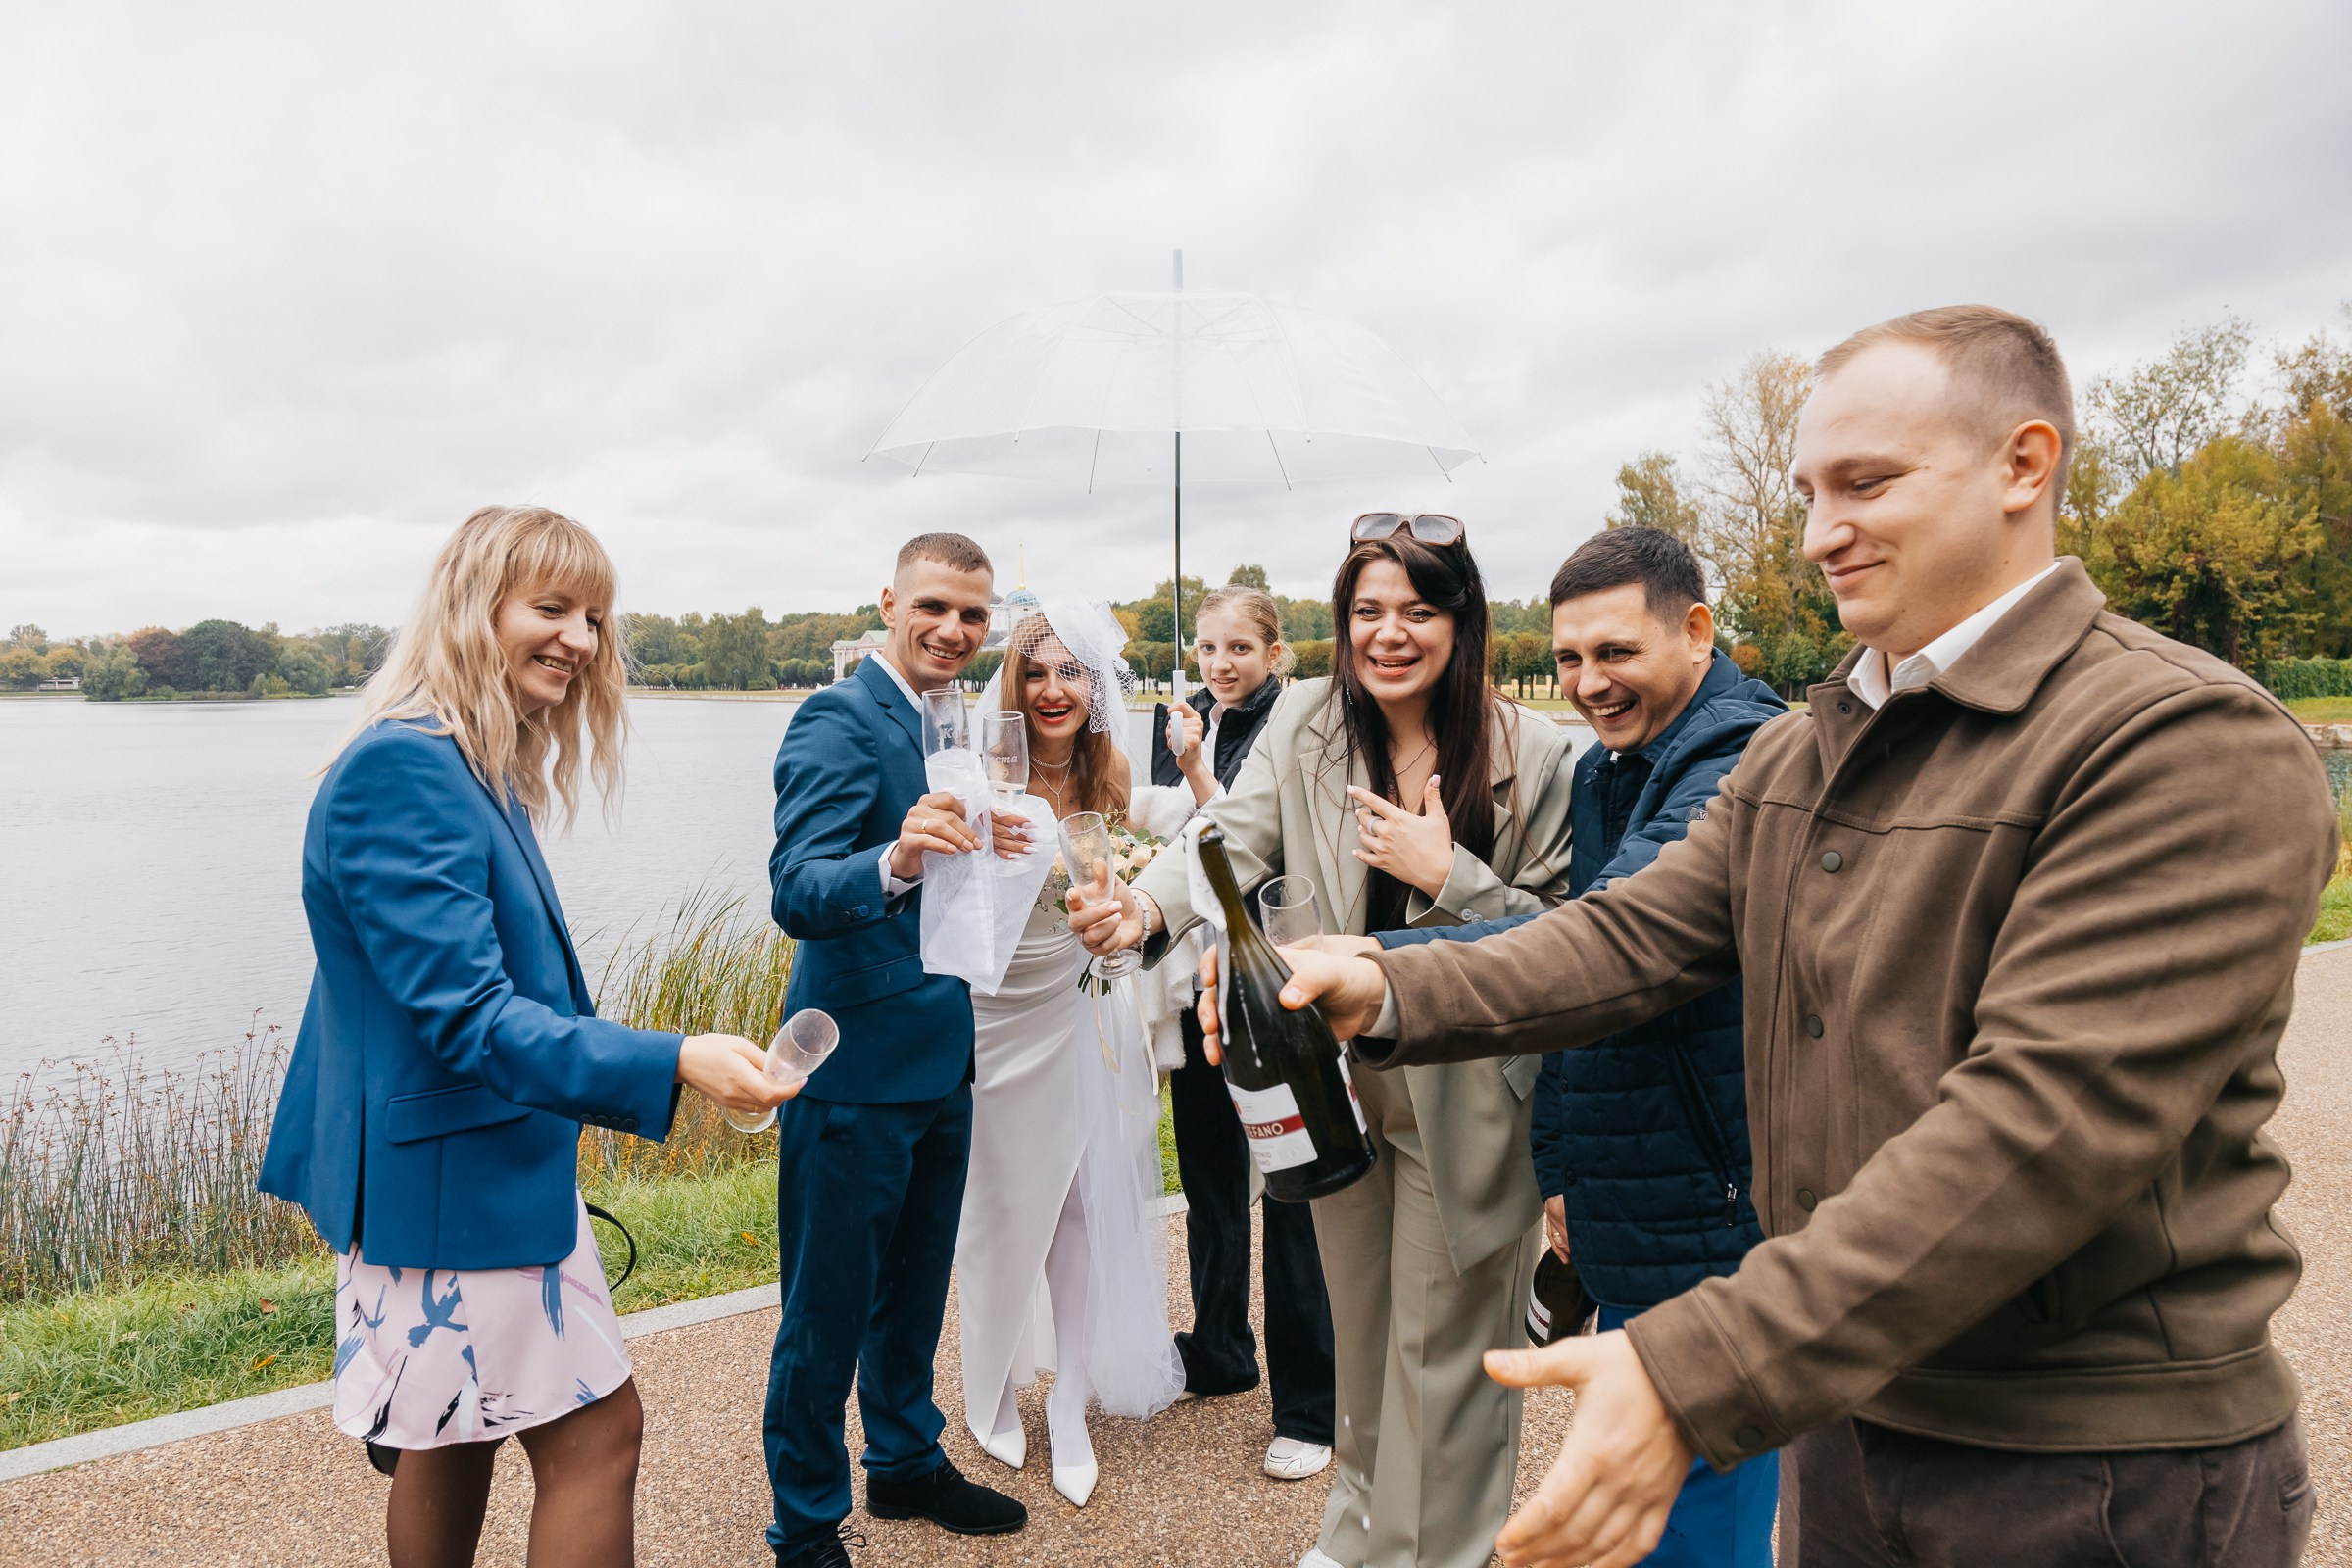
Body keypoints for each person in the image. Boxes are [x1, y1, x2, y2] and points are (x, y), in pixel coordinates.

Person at [1245, 307, 2337, 1568]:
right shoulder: (1804, 746)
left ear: (2025, 466)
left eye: (1868, 483)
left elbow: (2041, 1124)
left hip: (2084, 1456)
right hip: (1851, 1408)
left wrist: (1698, 1362)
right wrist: (1378, 982)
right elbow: (1625, 941)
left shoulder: (2176, 741)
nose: (1821, 532)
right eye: (1811, 489)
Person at [258, 504, 791, 1568]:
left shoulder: (472, 766)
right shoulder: (404, 771)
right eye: (552, 608)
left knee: (453, 1436)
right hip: (455, 1192)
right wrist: (673, 1055)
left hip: (470, 1175)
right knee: (598, 1434)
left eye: (594, 617)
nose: (582, 642)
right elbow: (467, 1016)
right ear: (472, 608)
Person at [1079, 514, 1578, 1568]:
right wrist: (1147, 910)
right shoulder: (1309, 721)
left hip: (1469, 1101)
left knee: (1444, 1361)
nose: (1389, 633)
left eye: (1418, 610)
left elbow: (1569, 945)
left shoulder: (1533, 753)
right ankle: (1357, 1532)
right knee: (1365, 1339)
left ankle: (1434, 1551)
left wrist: (1453, 879)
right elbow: (1226, 836)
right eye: (1367, 611)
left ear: (1463, 620)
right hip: (1332, 1089)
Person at [1369, 526, 1786, 1567]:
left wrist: (1379, 969)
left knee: (1702, 1502)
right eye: (1567, 658)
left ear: (1697, 631)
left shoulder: (1739, 759)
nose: (1589, 682)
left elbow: (1608, 940)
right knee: (1645, 1493)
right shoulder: (1614, 769)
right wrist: (1561, 1163)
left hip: (1709, 1196)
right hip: (1631, 1182)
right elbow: (1581, 993)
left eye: (1615, 652)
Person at [764, 534, 1027, 1568]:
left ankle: (907, 1459)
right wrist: (896, 857)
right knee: (825, 1307)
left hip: (943, 1051)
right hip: (853, 1065)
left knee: (915, 1288)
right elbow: (798, 888)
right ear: (888, 601)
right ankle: (807, 1516)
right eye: (935, 607)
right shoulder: (834, 718)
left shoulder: (954, 722)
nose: (955, 631)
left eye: (973, 615)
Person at [955, 600, 1184, 1510]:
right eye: (1037, 672)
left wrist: (1119, 929)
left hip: (1080, 1004)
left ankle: (1072, 1404)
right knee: (1001, 1210)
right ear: (1015, 681)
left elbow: (1121, 897)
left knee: (1085, 1206)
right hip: (995, 1011)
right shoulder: (980, 769)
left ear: (1095, 686)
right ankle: (991, 1387)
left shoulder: (1112, 769)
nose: (1053, 690)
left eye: (1071, 672)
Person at [1139, 584, 1339, 1485]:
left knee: (1290, 1186)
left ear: (1277, 655)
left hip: (1269, 981)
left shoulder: (1296, 726)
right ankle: (1219, 1345)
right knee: (1212, 1179)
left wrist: (1192, 773)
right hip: (1195, 984)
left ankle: (1310, 1405)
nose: (1221, 665)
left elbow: (1244, 843)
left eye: (1240, 650)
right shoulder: (1185, 720)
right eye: (1209, 649)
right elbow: (1177, 847)